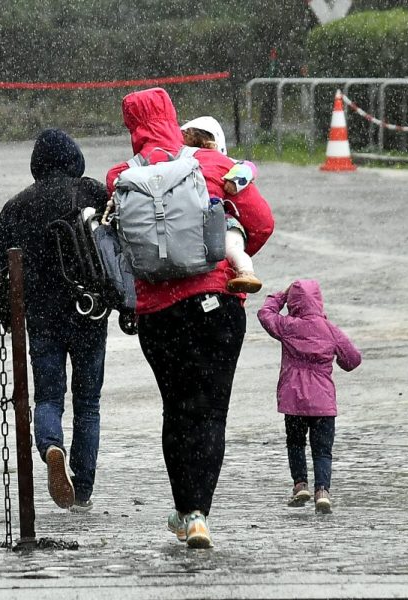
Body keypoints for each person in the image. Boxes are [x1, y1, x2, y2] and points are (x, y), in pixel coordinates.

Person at [107, 88, 274, 548]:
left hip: (158, 316)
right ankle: (201, 515)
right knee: (211, 412)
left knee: (176, 410)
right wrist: (223, 259)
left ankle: (185, 510)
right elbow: (261, 222)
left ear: (132, 127)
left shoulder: (119, 176)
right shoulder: (213, 165)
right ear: (172, 117)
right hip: (217, 308)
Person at [0, 128, 109, 513]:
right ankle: (83, 489)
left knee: (49, 396)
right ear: (75, 158)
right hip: (90, 310)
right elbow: (117, 247)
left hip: (41, 317)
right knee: (88, 403)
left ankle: (51, 445)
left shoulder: (17, 205)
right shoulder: (91, 193)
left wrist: (11, 313)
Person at [257, 280, 362, 514]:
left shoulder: (287, 326)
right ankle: (322, 491)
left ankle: (300, 484)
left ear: (294, 302)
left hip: (293, 399)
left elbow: (265, 314)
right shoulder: (330, 330)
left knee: (295, 443)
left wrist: (280, 296)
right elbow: (352, 360)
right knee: (322, 450)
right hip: (323, 402)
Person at [180, 116, 262, 293]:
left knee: (231, 247)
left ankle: (247, 273)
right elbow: (249, 166)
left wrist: (235, 180)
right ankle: (245, 271)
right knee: (232, 248)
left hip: (219, 222)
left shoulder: (177, 164)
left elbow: (248, 167)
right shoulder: (222, 162)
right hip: (217, 220)